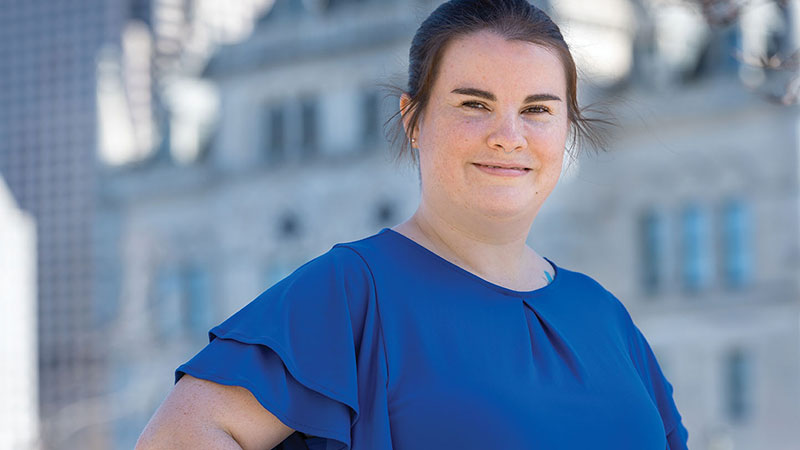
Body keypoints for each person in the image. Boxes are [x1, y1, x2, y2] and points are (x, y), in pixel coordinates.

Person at [135, 0, 690, 449]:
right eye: (474, 104)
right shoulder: (355, 291)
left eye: (538, 109)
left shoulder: (604, 316)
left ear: (567, 127)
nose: (508, 135)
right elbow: (178, 438)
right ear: (413, 120)